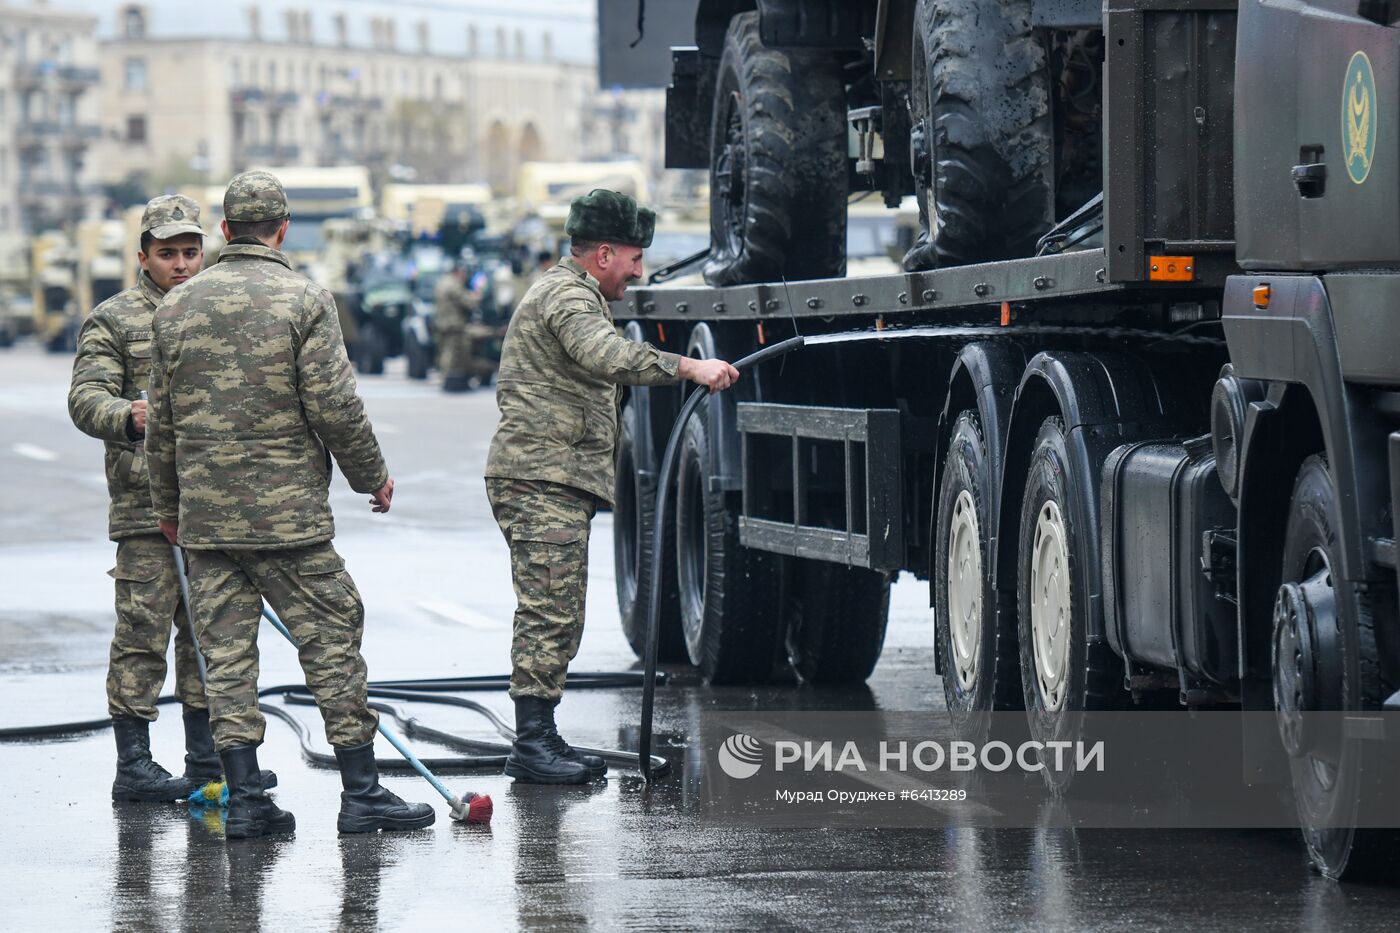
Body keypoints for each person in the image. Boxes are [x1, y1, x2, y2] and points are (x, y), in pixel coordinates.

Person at [146, 170, 433, 839]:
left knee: (227, 658)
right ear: (281, 228)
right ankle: (361, 793)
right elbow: (334, 404)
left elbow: (160, 424)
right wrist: (373, 476)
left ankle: (247, 799)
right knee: (333, 638)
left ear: (223, 232)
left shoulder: (175, 309)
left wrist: (169, 507)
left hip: (208, 521)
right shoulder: (303, 298)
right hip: (289, 520)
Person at [484, 189, 740, 784]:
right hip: (539, 477)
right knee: (549, 610)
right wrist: (687, 366)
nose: (639, 270)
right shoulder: (567, 298)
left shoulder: (573, 293)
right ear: (604, 253)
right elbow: (602, 355)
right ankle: (532, 743)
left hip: (550, 476)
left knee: (559, 610)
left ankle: (542, 735)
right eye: (633, 257)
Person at [69, 195, 260, 802]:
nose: (181, 264)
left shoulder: (218, 308)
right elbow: (85, 398)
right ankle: (135, 764)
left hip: (212, 503)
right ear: (143, 256)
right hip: (146, 506)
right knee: (142, 633)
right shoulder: (115, 319)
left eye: (191, 252)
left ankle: (207, 760)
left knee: (208, 635)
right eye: (168, 254)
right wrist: (131, 415)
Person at [432, 261, 477, 392]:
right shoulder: (454, 284)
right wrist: (474, 298)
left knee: (443, 351)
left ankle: (444, 377)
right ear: (458, 272)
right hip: (453, 324)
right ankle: (447, 379)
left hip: (442, 323)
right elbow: (468, 302)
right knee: (452, 353)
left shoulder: (441, 282)